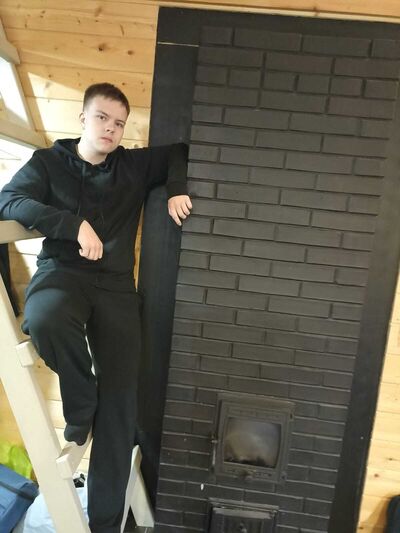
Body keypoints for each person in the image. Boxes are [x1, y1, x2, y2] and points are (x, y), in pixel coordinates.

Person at [0, 83, 192, 533]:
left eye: (119, 123)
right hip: (63, 274)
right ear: (83, 118)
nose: (110, 128)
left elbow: (178, 152)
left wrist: (176, 188)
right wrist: (72, 225)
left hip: (116, 286)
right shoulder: (48, 162)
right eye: (103, 118)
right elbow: (8, 200)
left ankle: (104, 523)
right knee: (44, 319)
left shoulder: (131, 165)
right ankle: (81, 397)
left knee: (121, 401)